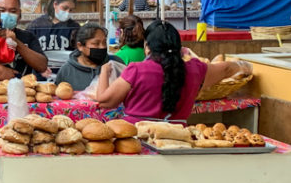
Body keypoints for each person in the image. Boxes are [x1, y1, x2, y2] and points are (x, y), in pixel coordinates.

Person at [95, 20, 249, 122]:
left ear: (147, 46)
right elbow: (227, 68)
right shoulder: (195, 68)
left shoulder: (136, 70)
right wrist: (244, 66)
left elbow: (105, 101)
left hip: (136, 139)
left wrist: (104, 71)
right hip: (176, 140)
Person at [54, 23, 123, 91]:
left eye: (104, 42)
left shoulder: (116, 63)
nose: (102, 47)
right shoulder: (67, 71)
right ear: (80, 46)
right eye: (96, 43)